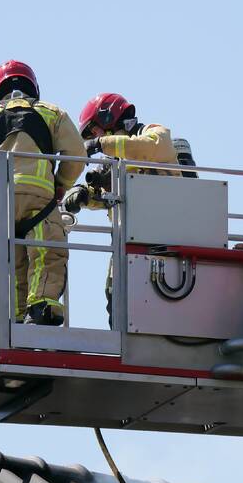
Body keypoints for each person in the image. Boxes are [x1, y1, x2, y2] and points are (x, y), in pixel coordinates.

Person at [0, 60, 84, 325]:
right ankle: (41, 307)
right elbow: (77, 154)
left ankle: (17, 317)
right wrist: (61, 183)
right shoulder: (51, 113)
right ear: (33, 87)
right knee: (46, 251)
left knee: (9, 262)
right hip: (39, 197)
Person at [61, 93, 182, 322]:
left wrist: (100, 144)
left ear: (109, 117)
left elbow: (157, 145)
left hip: (164, 237)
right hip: (127, 240)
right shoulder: (117, 157)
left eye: (94, 131)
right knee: (114, 297)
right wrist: (84, 196)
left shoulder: (149, 133)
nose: (94, 137)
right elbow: (114, 196)